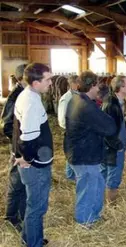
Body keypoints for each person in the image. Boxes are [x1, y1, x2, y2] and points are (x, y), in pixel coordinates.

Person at [64, 71, 116, 227]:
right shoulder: (86, 106)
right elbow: (110, 127)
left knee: (98, 183)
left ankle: (93, 216)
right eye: (97, 86)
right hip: (84, 155)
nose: (99, 90)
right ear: (92, 86)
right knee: (88, 187)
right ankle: (84, 221)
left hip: (81, 151)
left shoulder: (75, 99)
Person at [13, 63, 53, 247]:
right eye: (48, 79)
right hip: (35, 165)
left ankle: (30, 238)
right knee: (37, 206)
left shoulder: (31, 96)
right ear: (36, 83)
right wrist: (27, 159)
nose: (51, 83)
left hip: (36, 161)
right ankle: (33, 243)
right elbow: (27, 137)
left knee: (34, 205)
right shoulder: (30, 102)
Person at [1, 64, 27, 231]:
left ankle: (21, 214)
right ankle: (11, 217)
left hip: (23, 145)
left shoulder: (25, 94)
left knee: (22, 182)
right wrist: (18, 146)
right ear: (22, 78)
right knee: (17, 181)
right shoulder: (16, 96)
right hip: (19, 148)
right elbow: (8, 125)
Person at [101, 76, 126, 203]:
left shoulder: (116, 102)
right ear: (120, 88)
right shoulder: (111, 105)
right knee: (113, 175)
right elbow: (107, 130)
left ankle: (102, 199)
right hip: (113, 148)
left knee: (106, 172)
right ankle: (110, 203)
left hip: (113, 146)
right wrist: (117, 146)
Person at [57, 75, 79, 181]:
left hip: (78, 129)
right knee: (71, 152)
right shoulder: (66, 99)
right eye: (78, 83)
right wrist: (71, 127)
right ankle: (70, 176)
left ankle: (72, 174)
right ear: (72, 84)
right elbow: (61, 119)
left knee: (75, 152)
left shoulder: (78, 96)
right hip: (71, 130)